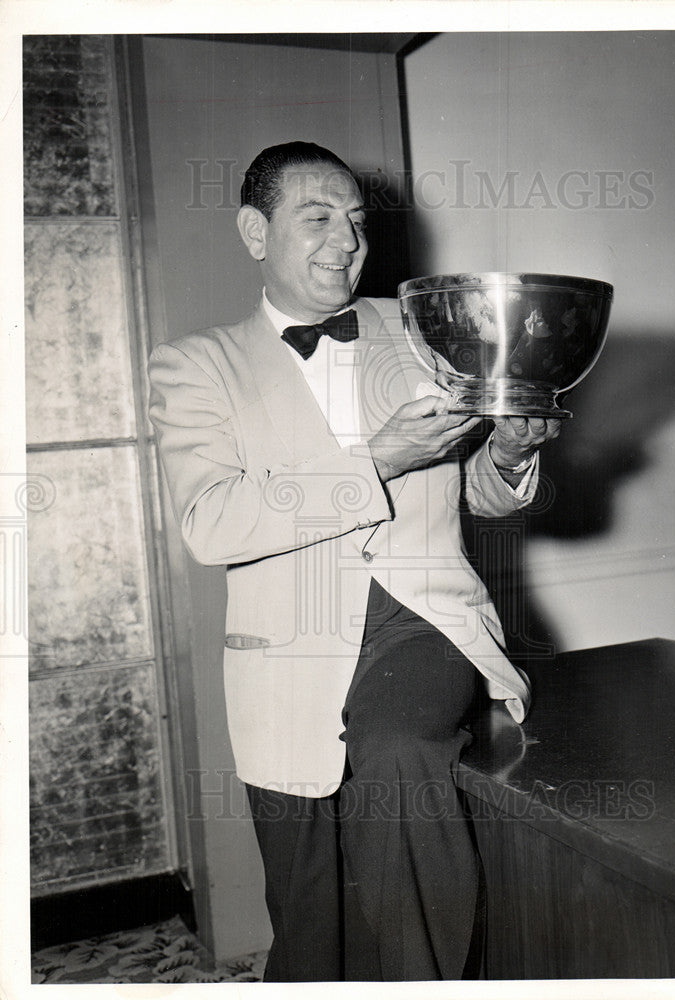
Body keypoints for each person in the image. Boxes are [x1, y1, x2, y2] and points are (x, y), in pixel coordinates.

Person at [148, 141, 559, 982]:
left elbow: (473, 489)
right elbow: (210, 523)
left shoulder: (420, 332)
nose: (347, 240)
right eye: (319, 218)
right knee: (309, 913)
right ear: (254, 232)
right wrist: (375, 460)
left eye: (358, 222)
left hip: (421, 619)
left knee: (399, 752)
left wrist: (512, 452)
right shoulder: (194, 365)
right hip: (286, 653)